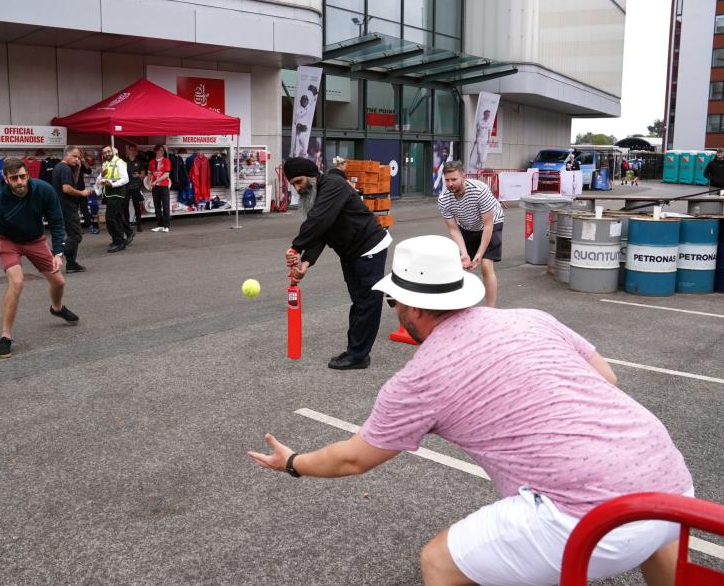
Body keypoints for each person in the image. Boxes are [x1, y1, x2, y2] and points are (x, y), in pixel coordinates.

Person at [249, 235, 694, 586]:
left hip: (585, 518)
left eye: (393, 301)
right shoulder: (530, 318)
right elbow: (608, 380)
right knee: (651, 532)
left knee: (439, 562)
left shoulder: (419, 379)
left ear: (414, 307)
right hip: (670, 483)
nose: (394, 310)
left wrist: (292, 463)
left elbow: (352, 458)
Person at [283, 156, 391, 370]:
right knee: (359, 301)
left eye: (299, 181)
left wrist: (296, 247)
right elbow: (323, 231)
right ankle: (356, 350)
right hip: (351, 252)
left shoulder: (333, 185)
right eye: (293, 184)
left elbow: (318, 221)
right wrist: (306, 262)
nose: (297, 189)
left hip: (368, 247)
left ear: (312, 176)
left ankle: (358, 355)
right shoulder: (320, 192)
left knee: (367, 302)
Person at [0, 157, 80, 359]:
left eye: (23, 176)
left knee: (59, 281)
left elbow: (57, 220)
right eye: (14, 178)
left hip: (35, 239)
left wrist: (58, 252)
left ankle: (57, 308)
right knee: (17, 282)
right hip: (7, 240)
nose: (20, 182)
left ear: (28, 175)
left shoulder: (44, 190)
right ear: (5, 178)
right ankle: (5, 336)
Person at [438, 160, 503, 308]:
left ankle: (490, 309)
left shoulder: (480, 190)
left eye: (454, 179)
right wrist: (464, 253)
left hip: (492, 222)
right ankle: (460, 307)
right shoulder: (443, 199)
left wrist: (479, 253)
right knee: (461, 264)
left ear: (463, 177)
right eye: (447, 180)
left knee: (486, 265)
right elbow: (454, 229)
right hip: (467, 226)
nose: (450, 184)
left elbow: (488, 225)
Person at [50, 145, 90, 273]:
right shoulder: (64, 168)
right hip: (66, 206)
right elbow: (66, 188)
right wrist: (81, 193)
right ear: (66, 155)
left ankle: (71, 264)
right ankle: (56, 254)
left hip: (64, 205)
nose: (76, 159)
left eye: (78, 157)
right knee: (76, 235)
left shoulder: (63, 168)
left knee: (73, 234)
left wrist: (78, 169)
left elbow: (73, 183)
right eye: (74, 156)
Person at [99, 146, 133, 253]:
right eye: (105, 153)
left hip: (117, 194)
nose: (107, 154)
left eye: (109, 151)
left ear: (113, 152)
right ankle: (120, 239)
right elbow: (101, 178)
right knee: (116, 217)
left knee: (110, 218)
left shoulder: (119, 162)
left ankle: (118, 242)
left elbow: (125, 179)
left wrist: (112, 184)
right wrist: (101, 178)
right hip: (108, 194)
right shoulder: (105, 164)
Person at [148, 144, 172, 232]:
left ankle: (166, 226)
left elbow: (166, 174)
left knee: (166, 206)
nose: (162, 152)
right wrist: (150, 183)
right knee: (157, 207)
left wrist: (155, 181)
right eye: (160, 150)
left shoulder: (166, 161)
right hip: (155, 187)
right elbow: (150, 173)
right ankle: (160, 225)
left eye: (163, 150)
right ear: (156, 151)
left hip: (164, 186)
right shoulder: (151, 162)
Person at [124, 144, 146, 231]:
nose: (133, 151)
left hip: (136, 187)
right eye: (131, 149)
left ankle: (139, 225)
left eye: (134, 150)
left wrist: (138, 175)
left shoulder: (139, 162)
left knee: (137, 206)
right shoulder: (123, 161)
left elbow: (143, 174)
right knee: (125, 207)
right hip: (125, 187)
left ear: (136, 151)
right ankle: (126, 225)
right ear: (128, 150)